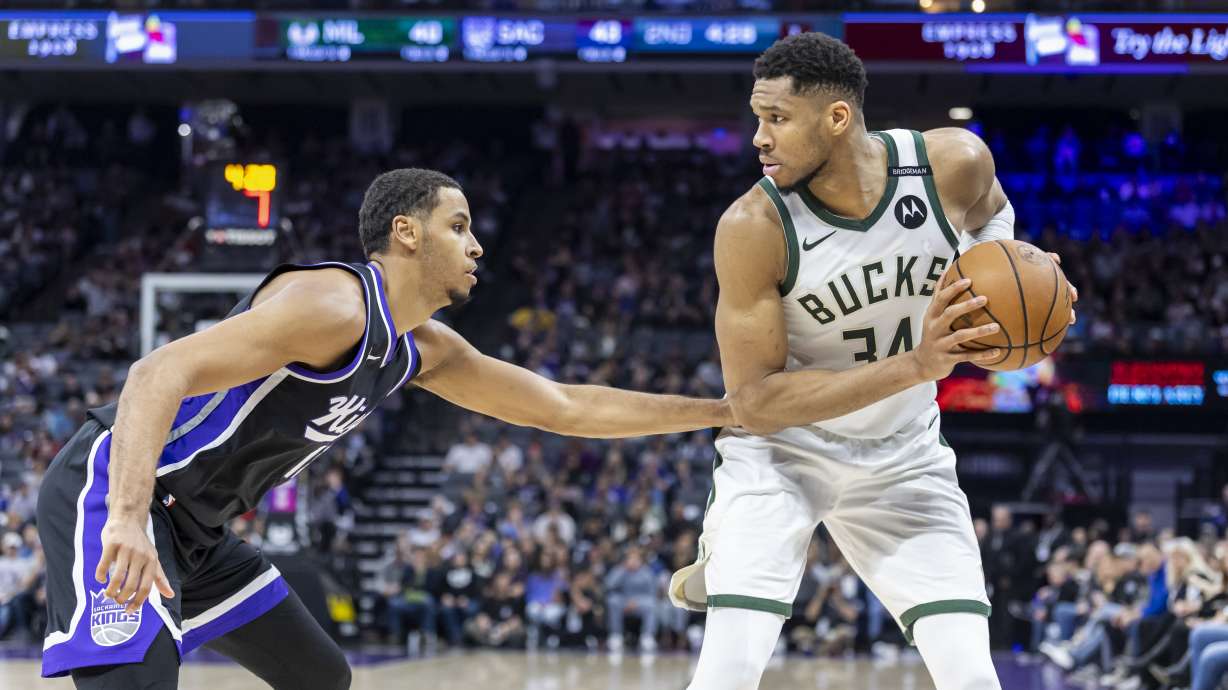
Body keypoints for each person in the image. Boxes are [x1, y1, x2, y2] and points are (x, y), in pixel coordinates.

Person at [37, 167, 734, 688]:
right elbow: (154, 372)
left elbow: (564, 407)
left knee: (321, 677)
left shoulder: (419, 349)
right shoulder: (332, 305)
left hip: (200, 531)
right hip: (116, 490)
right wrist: (125, 516)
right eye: (458, 226)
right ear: (406, 232)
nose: (477, 246)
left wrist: (721, 411)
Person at [668, 32, 1077, 690]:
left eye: (776, 118)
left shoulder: (954, 163)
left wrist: (1013, 278)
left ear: (837, 117)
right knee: (728, 673)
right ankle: (733, 558)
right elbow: (755, 405)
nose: (759, 138)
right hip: (784, 453)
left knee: (973, 677)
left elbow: (993, 217)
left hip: (904, 453)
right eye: (757, 118)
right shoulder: (753, 228)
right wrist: (916, 365)